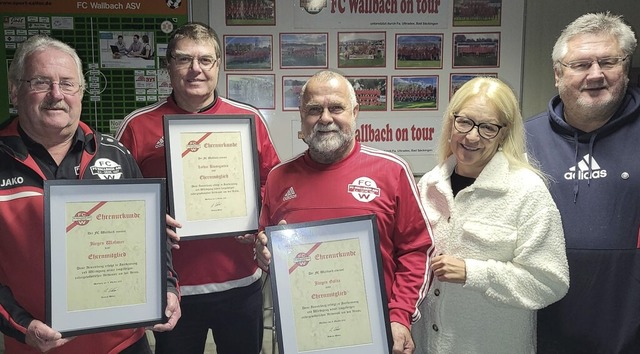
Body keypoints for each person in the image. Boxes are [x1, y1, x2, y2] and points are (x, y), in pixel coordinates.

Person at [0, 34, 181, 353]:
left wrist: (166, 287)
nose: (56, 94)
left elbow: (153, 236)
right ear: (15, 91)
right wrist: (19, 325)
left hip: (124, 344)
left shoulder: (115, 154)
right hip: (37, 345)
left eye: (67, 83)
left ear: (81, 92)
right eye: (41, 82)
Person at [116, 22, 280, 354]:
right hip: (174, 289)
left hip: (240, 282)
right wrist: (148, 219)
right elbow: (116, 205)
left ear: (218, 65)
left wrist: (257, 221)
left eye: (205, 60)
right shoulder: (137, 125)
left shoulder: (248, 119)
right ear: (168, 65)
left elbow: (273, 188)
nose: (196, 70)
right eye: (184, 59)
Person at [255, 70, 434, 354]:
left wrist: (400, 316)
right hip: (304, 334)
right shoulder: (279, 177)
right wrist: (264, 254)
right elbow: (267, 249)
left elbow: (417, 250)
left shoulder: (391, 170)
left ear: (355, 112)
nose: (325, 118)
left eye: (336, 107)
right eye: (314, 109)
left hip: (375, 332)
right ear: (302, 116)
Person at [410, 77, 569, 353]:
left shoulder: (526, 190)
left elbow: (550, 282)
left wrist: (474, 273)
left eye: (487, 127)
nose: (472, 136)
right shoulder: (429, 185)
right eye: (465, 122)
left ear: (504, 133)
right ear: (451, 122)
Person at [525, 12, 640, 353]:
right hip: (544, 324)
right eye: (580, 65)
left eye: (608, 61)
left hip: (629, 327)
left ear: (627, 67)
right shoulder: (524, 139)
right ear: (557, 74)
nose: (596, 74)